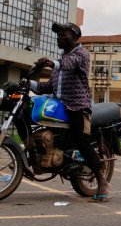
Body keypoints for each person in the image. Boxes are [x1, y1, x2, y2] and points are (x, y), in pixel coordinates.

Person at [27, 22, 109, 201]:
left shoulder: (81, 54)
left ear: (74, 37)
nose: (59, 37)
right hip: (59, 104)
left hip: (77, 105)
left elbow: (69, 64)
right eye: (58, 34)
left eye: (63, 34)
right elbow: (49, 85)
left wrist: (50, 62)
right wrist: (29, 84)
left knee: (80, 140)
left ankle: (102, 180)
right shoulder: (61, 60)